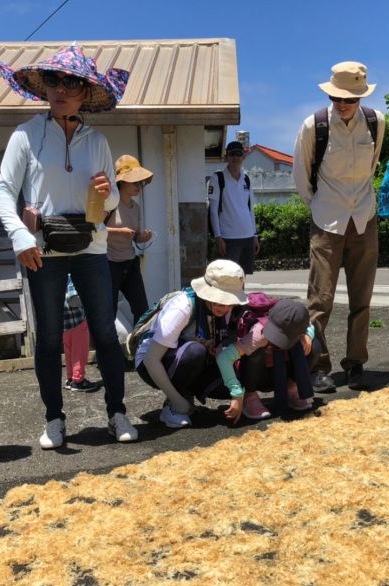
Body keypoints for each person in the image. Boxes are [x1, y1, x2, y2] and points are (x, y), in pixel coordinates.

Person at [0, 44, 137, 448]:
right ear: (44, 88)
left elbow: (108, 205)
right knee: (51, 338)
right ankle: (54, 419)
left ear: (85, 93)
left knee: (106, 334)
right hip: (44, 249)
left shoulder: (98, 141)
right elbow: (3, 189)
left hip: (91, 246)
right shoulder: (26, 134)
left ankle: (117, 412)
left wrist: (108, 194)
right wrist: (20, 235)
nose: (60, 89)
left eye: (71, 82)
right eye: (53, 80)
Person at [292, 61, 385, 393]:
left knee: (363, 296)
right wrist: (318, 206)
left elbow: (372, 165)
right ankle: (317, 365)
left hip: (364, 215)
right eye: (337, 98)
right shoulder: (313, 125)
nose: (343, 104)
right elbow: (302, 175)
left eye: (350, 98)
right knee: (320, 298)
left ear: (362, 97)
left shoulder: (376, 122)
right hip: (326, 219)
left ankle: (356, 363)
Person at [134, 259, 247, 429]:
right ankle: (173, 404)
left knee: (232, 383)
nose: (224, 307)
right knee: (195, 352)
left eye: (229, 302)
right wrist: (178, 402)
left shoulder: (227, 310)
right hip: (151, 361)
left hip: (190, 357)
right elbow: (151, 360)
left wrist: (238, 393)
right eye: (219, 301)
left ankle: (187, 392)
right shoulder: (182, 306)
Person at [216, 298, 320, 421]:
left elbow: (310, 325)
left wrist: (307, 336)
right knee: (255, 352)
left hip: (282, 370)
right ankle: (250, 396)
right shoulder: (259, 333)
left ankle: (291, 387)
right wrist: (237, 393)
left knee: (314, 346)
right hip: (258, 374)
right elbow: (224, 357)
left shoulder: (298, 323)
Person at [107, 155, 152, 326]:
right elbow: (95, 230)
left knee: (142, 309)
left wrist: (143, 237)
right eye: (135, 182)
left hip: (130, 263)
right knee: (107, 310)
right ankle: (109, 350)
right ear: (122, 182)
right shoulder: (109, 204)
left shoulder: (136, 208)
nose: (139, 186)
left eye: (140, 182)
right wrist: (120, 231)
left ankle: (139, 348)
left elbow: (135, 237)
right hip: (109, 263)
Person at [208, 141, 260, 275]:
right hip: (228, 238)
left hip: (248, 236)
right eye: (232, 154)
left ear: (243, 156)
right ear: (227, 157)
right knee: (228, 279)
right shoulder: (218, 178)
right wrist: (218, 237)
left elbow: (250, 210)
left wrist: (255, 235)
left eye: (239, 154)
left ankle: (241, 297)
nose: (235, 157)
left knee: (242, 278)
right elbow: (213, 210)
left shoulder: (246, 179)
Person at [63, 276, 100, 392]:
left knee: (69, 354)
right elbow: (73, 299)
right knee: (80, 354)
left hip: (64, 324)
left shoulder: (59, 276)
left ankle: (70, 378)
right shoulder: (72, 276)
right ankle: (78, 381)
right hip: (77, 322)